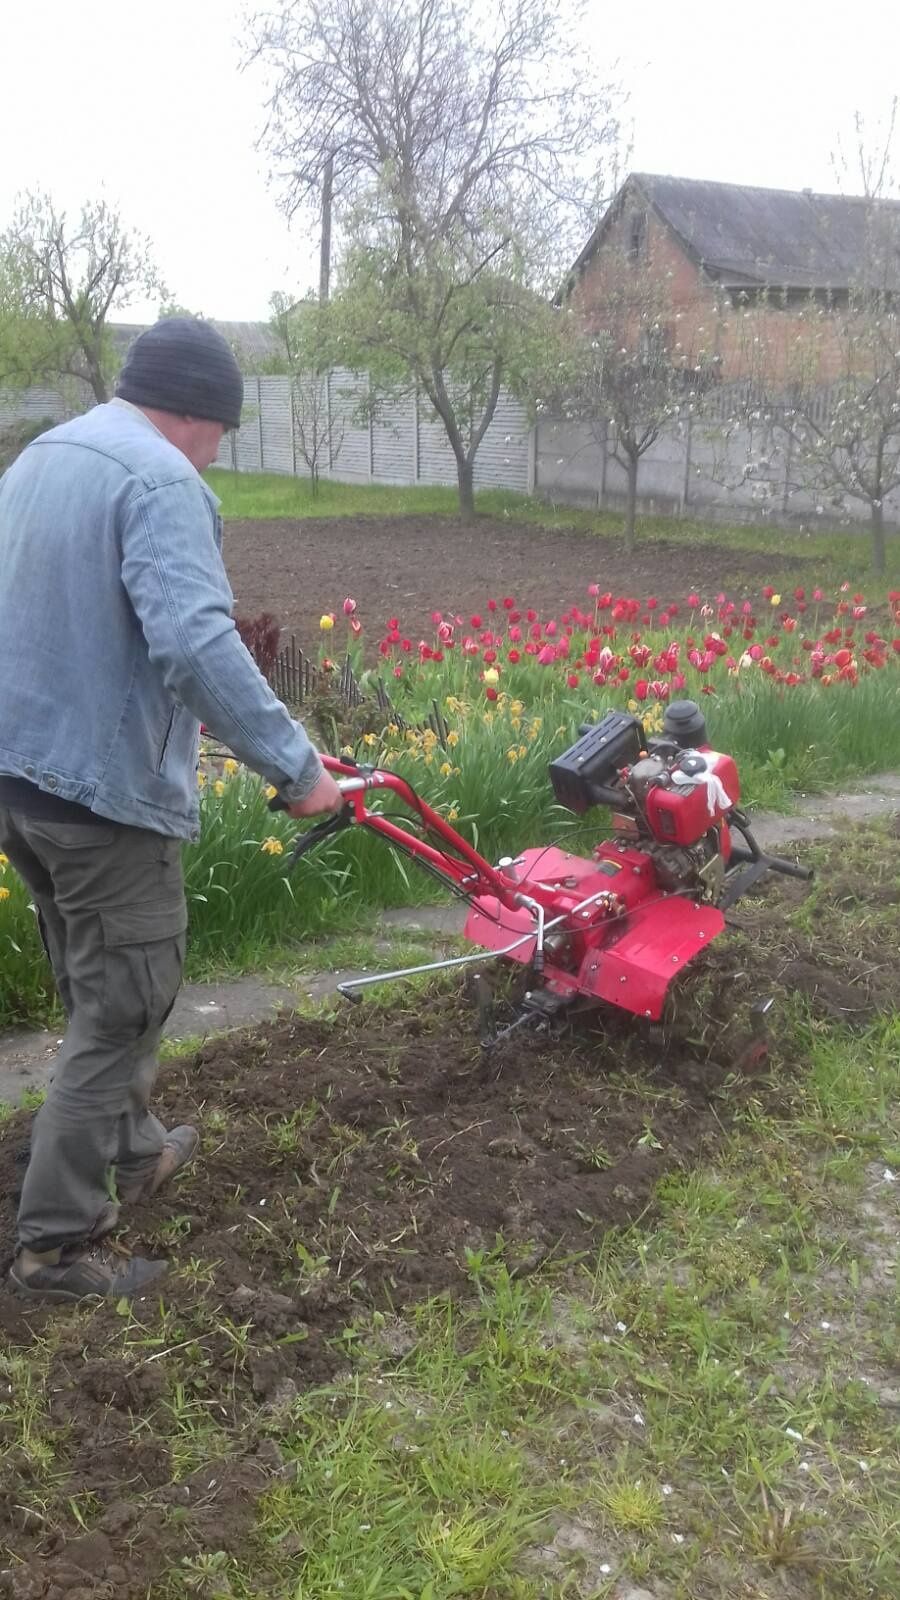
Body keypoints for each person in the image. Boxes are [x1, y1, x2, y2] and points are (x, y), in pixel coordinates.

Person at [0, 317, 342, 1303]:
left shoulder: (42, 455)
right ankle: (56, 1245)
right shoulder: (160, 482)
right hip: (103, 801)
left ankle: (137, 1145)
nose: (218, 451)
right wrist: (294, 763)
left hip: (25, 786)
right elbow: (193, 644)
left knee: (96, 973)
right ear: (195, 411)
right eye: (221, 430)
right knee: (126, 1000)